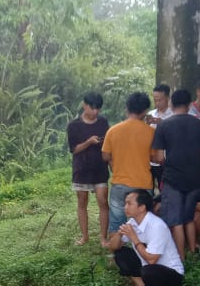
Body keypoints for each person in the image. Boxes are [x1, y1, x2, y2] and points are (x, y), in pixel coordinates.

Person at [152, 88, 200, 259]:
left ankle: (180, 258)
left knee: (176, 221)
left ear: (172, 104)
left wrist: (168, 162)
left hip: (173, 179)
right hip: (195, 179)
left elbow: (158, 156)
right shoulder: (199, 124)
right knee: (188, 217)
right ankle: (193, 251)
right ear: (189, 105)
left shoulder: (164, 125)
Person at [104, 189, 185, 286]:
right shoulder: (133, 222)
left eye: (129, 204)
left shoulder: (157, 226)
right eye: (125, 203)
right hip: (147, 267)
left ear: (142, 207)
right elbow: (113, 247)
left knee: (148, 270)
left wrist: (134, 239)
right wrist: (119, 234)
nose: (125, 207)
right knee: (121, 254)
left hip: (171, 273)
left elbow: (152, 260)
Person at [101, 92, 155, 236]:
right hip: (143, 183)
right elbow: (156, 158)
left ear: (127, 108)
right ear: (145, 111)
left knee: (117, 223)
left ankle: (115, 255)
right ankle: (143, 252)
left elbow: (105, 155)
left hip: (120, 183)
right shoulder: (150, 132)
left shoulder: (113, 130)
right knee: (144, 223)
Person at [67, 92, 111, 245]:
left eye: (98, 109)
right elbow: (74, 149)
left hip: (100, 169)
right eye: (92, 108)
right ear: (84, 105)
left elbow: (109, 145)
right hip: (81, 170)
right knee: (82, 202)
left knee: (103, 201)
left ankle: (103, 238)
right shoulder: (74, 125)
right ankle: (84, 237)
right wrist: (89, 142)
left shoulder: (103, 122)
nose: (95, 112)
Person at [146, 84, 173, 192]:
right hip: (149, 160)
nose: (157, 103)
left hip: (165, 160)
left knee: (165, 190)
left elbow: (174, 135)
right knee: (148, 190)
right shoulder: (150, 114)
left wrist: (162, 123)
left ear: (167, 98)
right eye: (155, 100)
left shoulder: (173, 115)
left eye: (160, 100)